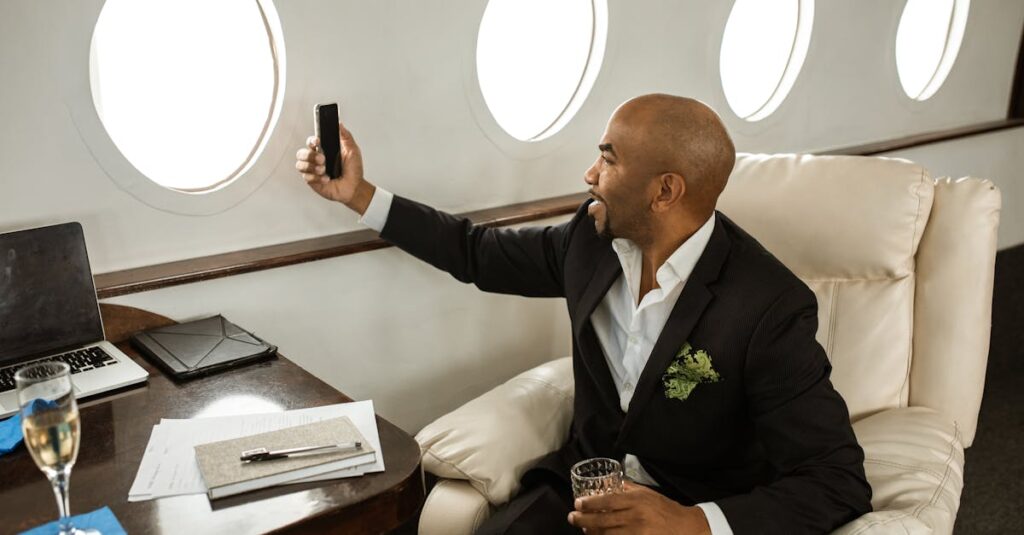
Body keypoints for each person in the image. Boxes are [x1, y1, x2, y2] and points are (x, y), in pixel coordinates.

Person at [295, 94, 872, 534]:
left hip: (687, 512)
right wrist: (360, 195)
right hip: (577, 496)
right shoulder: (589, 240)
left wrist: (692, 523)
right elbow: (476, 253)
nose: (589, 176)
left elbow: (837, 480)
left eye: (607, 159)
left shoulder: (769, 307)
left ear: (665, 191)